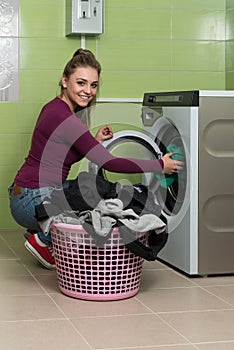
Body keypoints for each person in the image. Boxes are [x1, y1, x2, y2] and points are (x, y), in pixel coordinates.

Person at [8, 48, 183, 269]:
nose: (88, 91)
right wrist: (159, 165)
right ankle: (44, 240)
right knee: (101, 195)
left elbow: (59, 151)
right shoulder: (65, 118)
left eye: (93, 85)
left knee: (89, 187)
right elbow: (110, 163)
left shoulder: (55, 108)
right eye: (81, 83)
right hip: (32, 200)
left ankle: (43, 227)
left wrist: (96, 140)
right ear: (64, 81)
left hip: (23, 194)